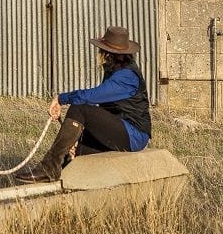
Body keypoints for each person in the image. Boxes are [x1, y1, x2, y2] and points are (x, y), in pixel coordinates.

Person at [14, 25, 151, 183]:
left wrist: (61, 99)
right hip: (121, 130)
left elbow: (91, 97)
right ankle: (55, 183)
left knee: (80, 109)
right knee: (74, 150)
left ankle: (49, 169)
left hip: (133, 134)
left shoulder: (126, 76)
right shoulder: (116, 70)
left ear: (107, 53)